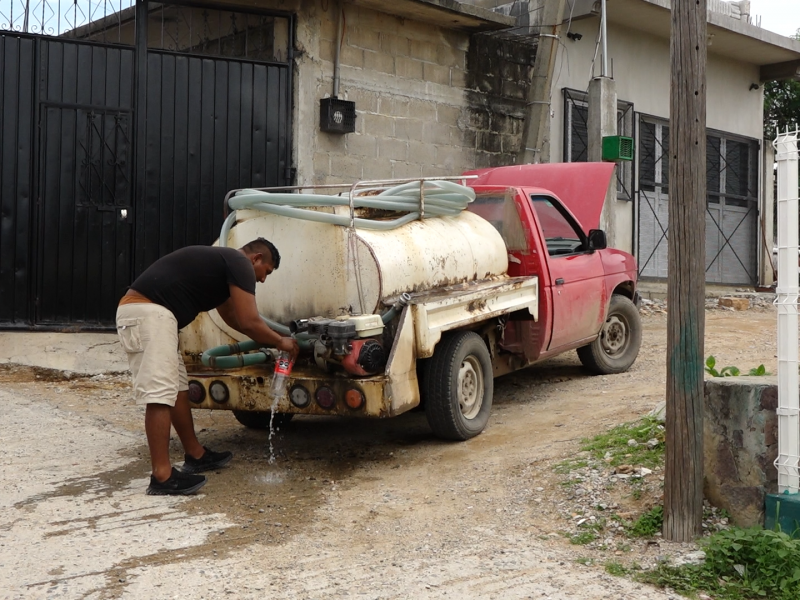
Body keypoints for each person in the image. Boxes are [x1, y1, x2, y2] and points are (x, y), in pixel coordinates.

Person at [116, 238, 300, 496]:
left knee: (178, 388)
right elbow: (249, 320)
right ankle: (162, 476)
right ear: (256, 258)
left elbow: (234, 319)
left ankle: (196, 454)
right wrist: (281, 341)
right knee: (160, 394)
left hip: (156, 317)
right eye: (266, 272)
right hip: (148, 314)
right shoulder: (239, 263)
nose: (263, 280)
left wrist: (269, 340)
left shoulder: (223, 267)